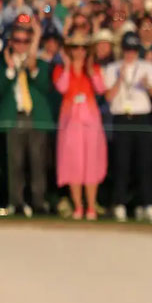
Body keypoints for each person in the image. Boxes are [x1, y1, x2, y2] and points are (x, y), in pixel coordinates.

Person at [103, 32, 152, 222]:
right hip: (121, 117)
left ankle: (147, 205)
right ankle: (120, 204)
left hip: (141, 118)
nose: (130, 54)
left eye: (134, 50)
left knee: (144, 164)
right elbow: (108, 96)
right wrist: (119, 79)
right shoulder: (112, 68)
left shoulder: (146, 66)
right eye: (127, 50)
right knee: (121, 164)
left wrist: (148, 86)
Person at [53, 34, 108, 220]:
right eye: (75, 48)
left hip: (90, 123)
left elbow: (101, 89)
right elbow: (61, 87)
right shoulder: (61, 69)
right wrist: (68, 66)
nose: (79, 51)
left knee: (91, 163)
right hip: (70, 124)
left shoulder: (93, 69)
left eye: (83, 48)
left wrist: (91, 71)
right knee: (73, 163)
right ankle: (78, 206)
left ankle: (91, 207)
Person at [1, 18, 52, 217]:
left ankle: (39, 202)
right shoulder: (3, 64)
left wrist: (33, 69)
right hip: (14, 117)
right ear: (11, 42)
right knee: (15, 163)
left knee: (38, 162)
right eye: (18, 40)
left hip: (35, 117)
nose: (21, 45)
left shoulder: (39, 62)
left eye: (25, 41)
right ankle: (17, 203)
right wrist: (9, 70)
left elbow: (45, 87)